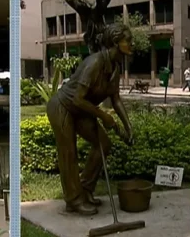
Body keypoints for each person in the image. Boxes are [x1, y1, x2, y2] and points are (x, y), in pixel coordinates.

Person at [46, 22, 134, 216]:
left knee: (103, 144)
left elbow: (116, 99)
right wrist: (103, 115)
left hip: (82, 109)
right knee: (69, 151)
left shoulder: (115, 68)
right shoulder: (94, 63)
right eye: (128, 40)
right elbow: (77, 98)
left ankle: (85, 189)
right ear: (115, 42)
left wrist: (128, 128)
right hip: (63, 107)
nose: (131, 44)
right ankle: (74, 200)